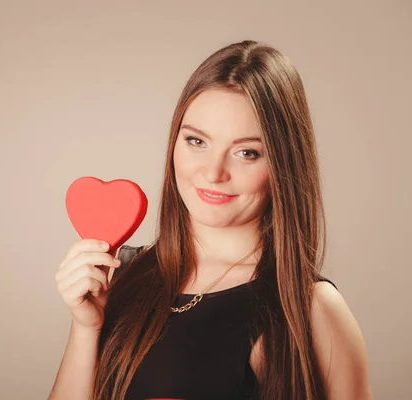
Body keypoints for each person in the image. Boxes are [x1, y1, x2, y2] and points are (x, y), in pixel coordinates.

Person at [48, 40, 372, 400]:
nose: (213, 172)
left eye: (246, 153)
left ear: (283, 163)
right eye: (197, 141)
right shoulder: (122, 272)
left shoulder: (313, 310)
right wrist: (85, 327)